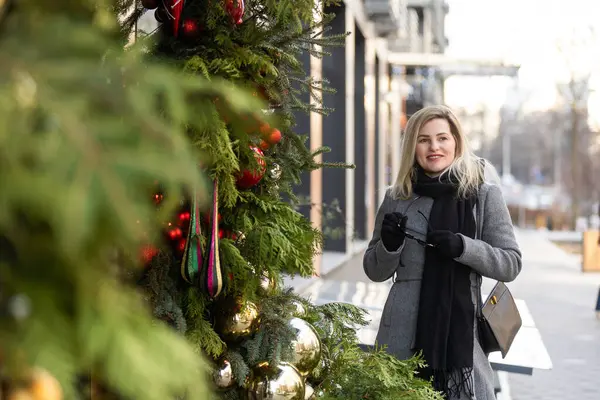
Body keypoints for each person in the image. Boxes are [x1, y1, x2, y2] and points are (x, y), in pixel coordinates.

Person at [363, 105, 522, 400]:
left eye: (442, 138)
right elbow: (374, 270)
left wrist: (465, 247)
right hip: (400, 335)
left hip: (461, 342)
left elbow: (510, 264)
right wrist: (389, 245)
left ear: (456, 142)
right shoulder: (396, 197)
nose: (433, 147)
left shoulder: (483, 196)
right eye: (423, 140)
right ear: (413, 146)